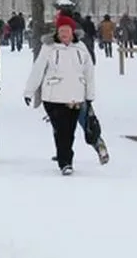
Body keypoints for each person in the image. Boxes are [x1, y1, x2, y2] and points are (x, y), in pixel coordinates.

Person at [23, 12, 95, 175]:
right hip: (53, 96)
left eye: (67, 31)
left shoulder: (81, 48)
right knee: (61, 129)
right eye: (61, 31)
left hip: (75, 96)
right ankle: (65, 162)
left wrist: (90, 96)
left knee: (69, 131)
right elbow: (38, 70)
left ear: (72, 32)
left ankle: (65, 156)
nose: (64, 34)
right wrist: (29, 91)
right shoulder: (49, 48)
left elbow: (89, 73)